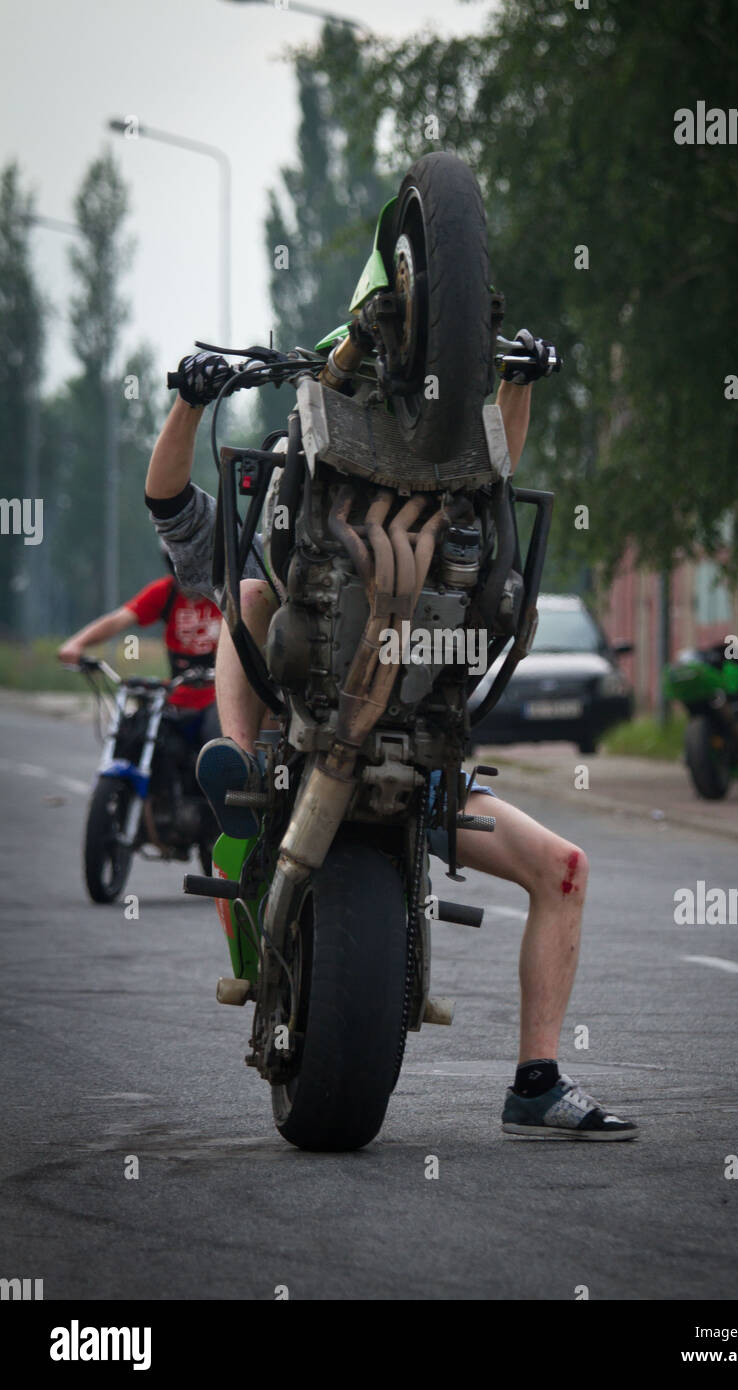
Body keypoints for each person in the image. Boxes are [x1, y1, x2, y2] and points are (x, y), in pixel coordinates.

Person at [144, 338, 638, 1142]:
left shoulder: (438, 515)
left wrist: (517, 379)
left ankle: (537, 1082)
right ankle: (241, 764)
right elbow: (167, 499)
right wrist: (190, 400)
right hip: (286, 755)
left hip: (418, 761)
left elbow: (496, 466)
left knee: (565, 870)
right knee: (245, 594)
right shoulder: (267, 538)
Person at [57, 549, 222, 745]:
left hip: (219, 698)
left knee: (219, 747)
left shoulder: (226, 594)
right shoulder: (165, 592)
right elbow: (118, 620)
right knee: (138, 739)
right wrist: (77, 643)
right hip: (176, 696)